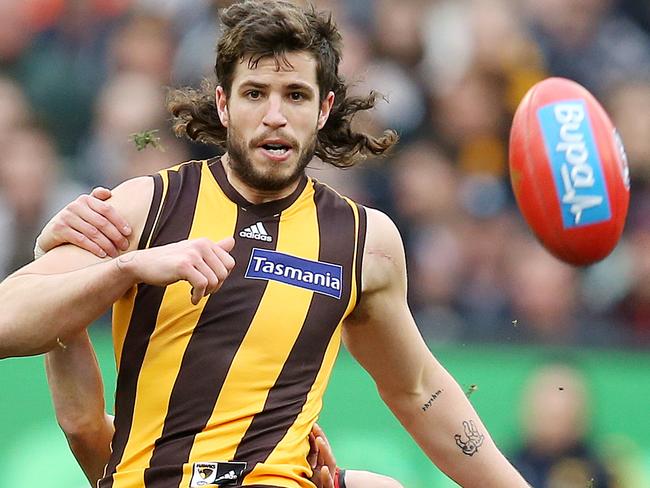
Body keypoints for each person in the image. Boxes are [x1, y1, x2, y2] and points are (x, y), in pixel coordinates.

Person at [0, 1, 529, 487]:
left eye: (294, 95)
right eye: (255, 93)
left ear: (323, 111)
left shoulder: (365, 241)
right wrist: (127, 269)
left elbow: (419, 391)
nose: (274, 114)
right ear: (224, 105)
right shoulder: (147, 207)